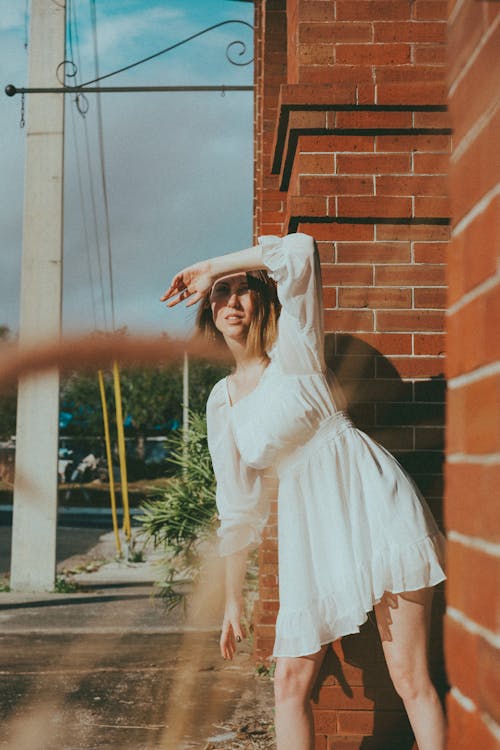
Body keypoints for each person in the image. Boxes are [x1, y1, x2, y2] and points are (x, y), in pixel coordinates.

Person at [162, 233, 447, 750]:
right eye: (219, 294)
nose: (231, 301)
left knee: (409, 676)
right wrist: (233, 602)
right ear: (209, 312)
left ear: (262, 300)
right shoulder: (222, 403)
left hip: (371, 504)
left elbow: (300, 250)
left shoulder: (295, 345)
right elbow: (237, 509)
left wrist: (208, 265)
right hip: (310, 536)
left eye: (242, 289)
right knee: (289, 682)